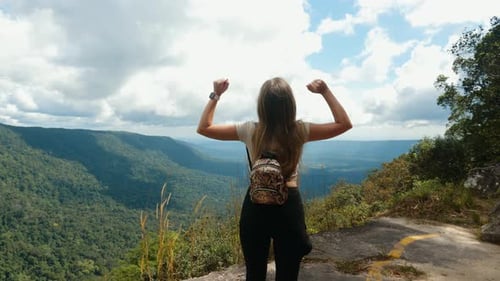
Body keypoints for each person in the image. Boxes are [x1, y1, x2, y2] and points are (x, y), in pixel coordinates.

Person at [197, 77, 352, 281]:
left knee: (254, 273)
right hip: (289, 207)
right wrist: (325, 91)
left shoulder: (250, 130)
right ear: (290, 105)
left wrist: (216, 94)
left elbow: (204, 127)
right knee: (287, 275)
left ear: (261, 106)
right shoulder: (299, 130)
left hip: (255, 204)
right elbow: (344, 124)